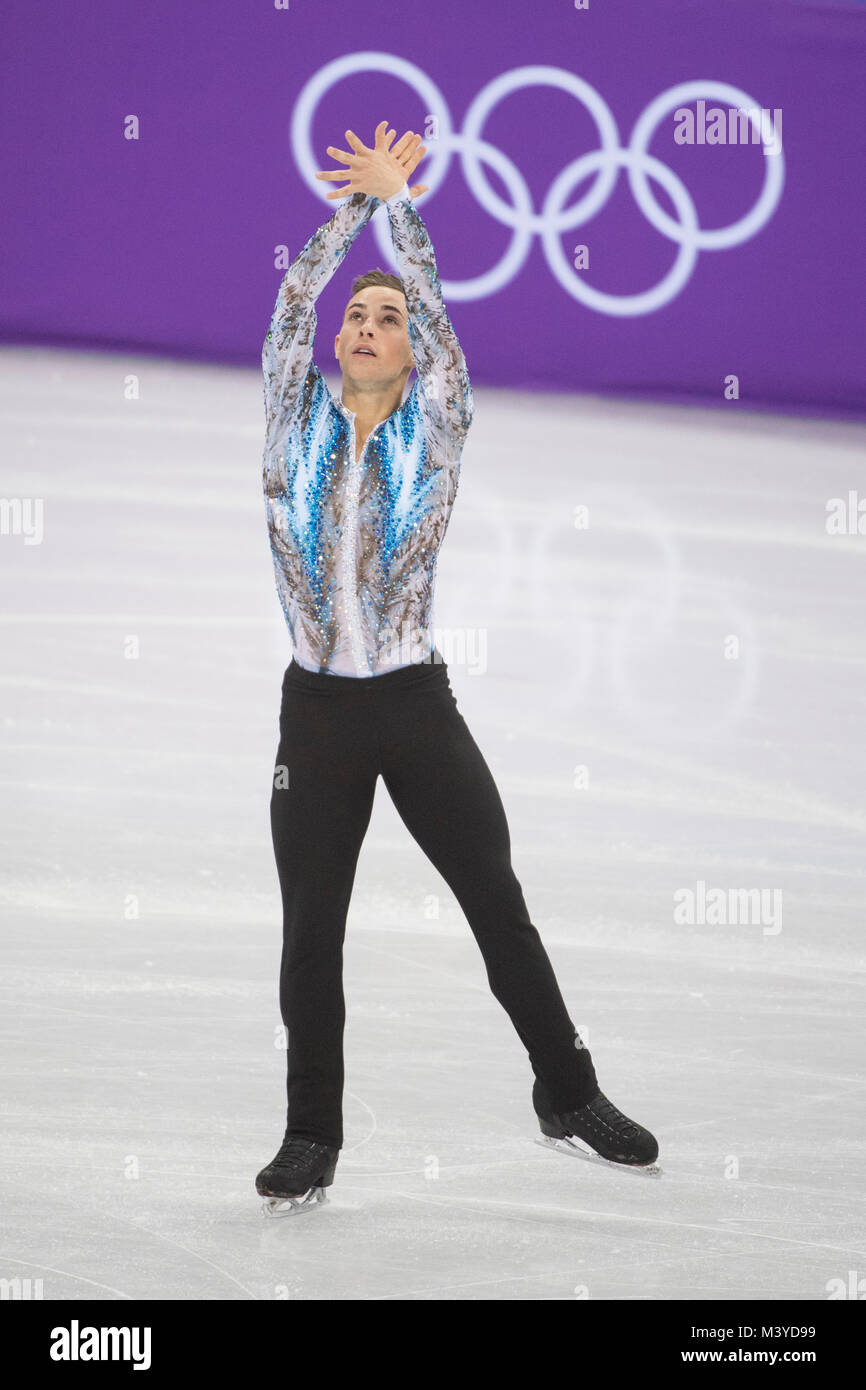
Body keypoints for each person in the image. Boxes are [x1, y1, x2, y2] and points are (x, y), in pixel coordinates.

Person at [255, 122, 659, 1213]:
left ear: (413, 348)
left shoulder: (434, 424)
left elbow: (430, 309)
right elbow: (297, 296)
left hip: (412, 706)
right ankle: (310, 1134)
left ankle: (566, 1092)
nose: (370, 323)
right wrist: (354, 213)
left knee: (494, 897)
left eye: (388, 317)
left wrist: (403, 213)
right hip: (317, 716)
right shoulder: (288, 417)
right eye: (361, 313)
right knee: (311, 935)